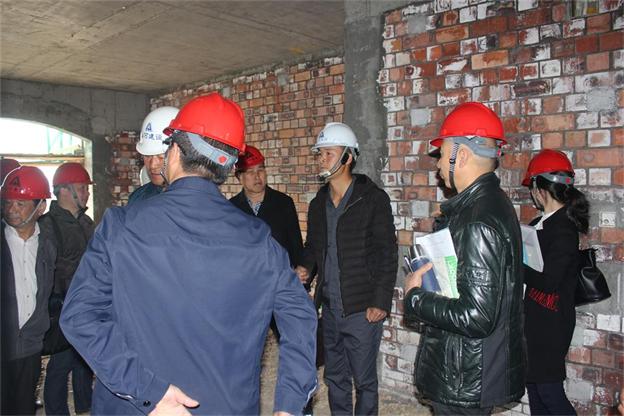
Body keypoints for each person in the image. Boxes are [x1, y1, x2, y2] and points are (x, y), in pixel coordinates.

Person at [60, 93, 318, 416]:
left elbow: (80, 317)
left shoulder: (121, 227)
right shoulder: (260, 242)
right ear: (229, 167)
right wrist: (290, 403)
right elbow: (301, 318)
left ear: (175, 152)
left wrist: (149, 391)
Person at [404, 102, 525, 415]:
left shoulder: (478, 220)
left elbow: (476, 315)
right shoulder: (486, 206)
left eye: (442, 153)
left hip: (463, 377)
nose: (438, 164)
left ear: (463, 155)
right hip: (468, 372)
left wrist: (415, 297)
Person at [296, 122, 398, 415]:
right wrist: (305, 267)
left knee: (364, 381)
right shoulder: (318, 203)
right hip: (329, 309)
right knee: (334, 378)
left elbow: (387, 253)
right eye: (320, 154)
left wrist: (380, 301)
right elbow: (313, 246)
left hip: (361, 310)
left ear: (348, 157)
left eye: (329, 153)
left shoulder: (372, 199)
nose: (322, 159)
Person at [521, 149, 588, 416]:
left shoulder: (564, 228)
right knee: (535, 392)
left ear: (539, 189)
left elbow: (549, 281)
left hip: (551, 323)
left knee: (549, 393)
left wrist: (517, 266)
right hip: (533, 319)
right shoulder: (538, 223)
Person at [1, 166, 56, 415]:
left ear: (41, 207)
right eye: (8, 202)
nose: (12, 209)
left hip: (30, 348)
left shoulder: (47, 245)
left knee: (23, 409)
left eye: (21, 203)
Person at [42, 163, 95, 415]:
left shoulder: (86, 222)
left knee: (84, 359)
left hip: (86, 303)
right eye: (82, 188)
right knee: (61, 363)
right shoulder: (47, 225)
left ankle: (85, 406)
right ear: (65, 191)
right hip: (63, 304)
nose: (87, 193)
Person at [230, 145, 303, 268]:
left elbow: (296, 247)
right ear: (240, 177)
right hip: (246, 275)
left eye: (260, 170)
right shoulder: (232, 208)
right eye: (250, 172)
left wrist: (299, 271)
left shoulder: (283, 203)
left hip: (279, 275)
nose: (257, 176)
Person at [127, 106, 179, 205]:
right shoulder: (138, 198)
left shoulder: (199, 200)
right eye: (147, 156)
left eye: (161, 156)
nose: (153, 165)